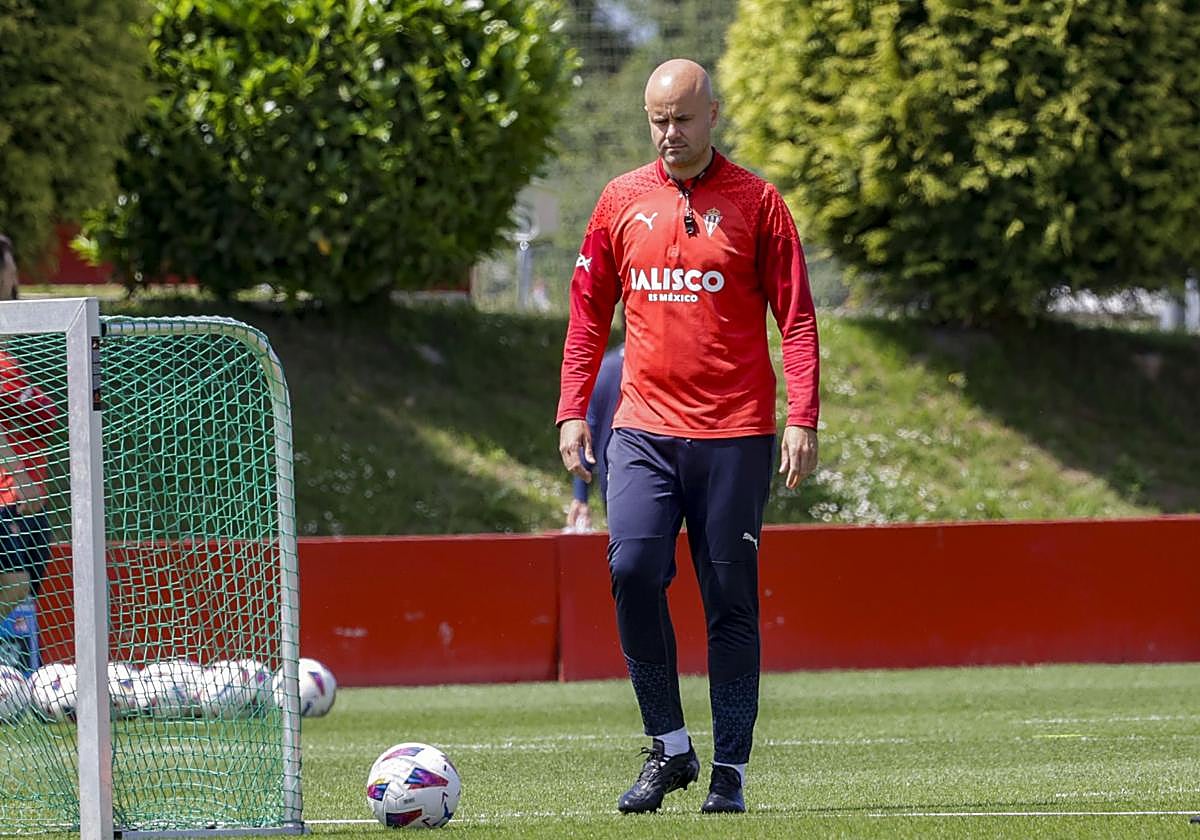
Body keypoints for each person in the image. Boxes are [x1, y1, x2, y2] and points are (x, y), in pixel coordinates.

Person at [556, 58, 820, 815]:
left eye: (682, 119)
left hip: (735, 433)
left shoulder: (760, 204)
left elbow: (796, 319)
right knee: (633, 568)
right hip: (641, 427)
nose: (670, 133)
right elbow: (586, 316)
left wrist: (802, 416)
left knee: (728, 597)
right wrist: (574, 407)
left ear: (713, 116)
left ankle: (729, 770)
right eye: (657, 121)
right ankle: (669, 749)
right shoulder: (618, 202)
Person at [564, 341, 623, 532]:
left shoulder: (603, 368)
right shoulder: (652, 368)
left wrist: (580, 495)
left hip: (614, 482)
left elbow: (589, 432)